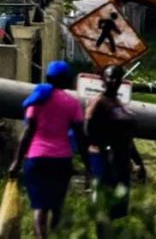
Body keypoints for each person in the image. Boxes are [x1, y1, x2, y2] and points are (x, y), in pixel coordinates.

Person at [8, 60, 89, 239]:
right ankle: (53, 232)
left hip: (37, 159)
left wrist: (16, 161)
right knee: (57, 204)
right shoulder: (72, 103)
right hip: (61, 160)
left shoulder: (38, 99)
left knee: (40, 206)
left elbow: (28, 132)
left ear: (48, 77)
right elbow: (80, 136)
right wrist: (88, 163)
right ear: (67, 80)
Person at [85, 65, 146, 236]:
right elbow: (88, 133)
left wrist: (138, 161)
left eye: (116, 77)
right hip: (105, 160)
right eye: (109, 77)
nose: (113, 81)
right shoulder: (98, 102)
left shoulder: (118, 103)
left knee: (117, 210)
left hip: (121, 160)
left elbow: (128, 138)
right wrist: (102, 152)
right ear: (103, 79)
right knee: (104, 207)